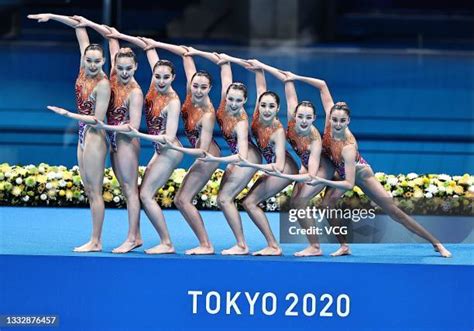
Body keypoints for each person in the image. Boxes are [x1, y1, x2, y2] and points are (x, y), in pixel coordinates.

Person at [276, 101, 452, 258]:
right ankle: (344, 246)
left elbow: (349, 184)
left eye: (342, 121)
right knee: (325, 205)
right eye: (334, 120)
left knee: (395, 212)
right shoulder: (329, 130)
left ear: (348, 122)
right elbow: (322, 86)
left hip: (360, 176)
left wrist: (319, 180)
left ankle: (436, 243)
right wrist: (292, 76)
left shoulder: (348, 146)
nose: (337, 124)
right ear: (329, 119)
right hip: (341, 172)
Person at [28, 13, 111, 252]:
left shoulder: (103, 84)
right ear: (84, 59)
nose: (92, 65)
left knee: (95, 191)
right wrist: (52, 16)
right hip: (83, 135)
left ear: (103, 61)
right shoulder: (84, 69)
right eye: (89, 60)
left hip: (94, 137)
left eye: (97, 61)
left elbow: (97, 120)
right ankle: (93, 238)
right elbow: (79, 27)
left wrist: (68, 116)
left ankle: (96, 241)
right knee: (88, 188)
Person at [106, 33, 185, 254]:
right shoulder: (153, 85)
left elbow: (167, 137)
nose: (160, 80)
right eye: (157, 76)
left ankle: (164, 242)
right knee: (136, 191)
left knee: (144, 194)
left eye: (165, 77)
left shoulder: (172, 100)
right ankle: (138, 236)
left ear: (173, 77)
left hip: (169, 150)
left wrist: (115, 129)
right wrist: (116, 35)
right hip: (158, 151)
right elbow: (150, 50)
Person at [75, 19, 143, 253]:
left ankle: (132, 237)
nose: (123, 72)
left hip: (124, 139)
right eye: (120, 67)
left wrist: (104, 127)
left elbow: (133, 126)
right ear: (114, 64)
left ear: (135, 68)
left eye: (128, 68)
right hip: (103, 134)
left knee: (129, 189)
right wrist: (83, 22)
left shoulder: (135, 91)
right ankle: (135, 236)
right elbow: (111, 37)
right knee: (99, 189)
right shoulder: (113, 74)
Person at [186, 50, 262, 255]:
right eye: (231, 99)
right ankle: (244, 244)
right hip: (237, 155)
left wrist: (217, 159)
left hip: (247, 157)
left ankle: (242, 245)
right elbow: (224, 64)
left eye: (238, 101)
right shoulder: (222, 104)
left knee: (225, 198)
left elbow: (242, 156)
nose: (233, 104)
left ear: (244, 101)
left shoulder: (241, 122)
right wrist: (196, 52)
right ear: (226, 96)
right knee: (223, 198)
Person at [149, 41, 220, 255]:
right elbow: (186, 55)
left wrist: (176, 148)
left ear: (210, 89)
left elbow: (202, 151)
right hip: (197, 153)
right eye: (195, 86)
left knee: (182, 199)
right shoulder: (190, 94)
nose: (197, 90)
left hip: (208, 156)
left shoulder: (208, 114)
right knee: (181, 199)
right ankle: (204, 243)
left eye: (203, 87)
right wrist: (152, 44)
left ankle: (206, 245)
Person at [233, 59, 299, 256]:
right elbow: (261, 87)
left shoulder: (277, 131)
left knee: (250, 203)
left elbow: (278, 165)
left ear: (277, 109)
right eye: (263, 105)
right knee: (248, 202)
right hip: (274, 167)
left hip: (284, 170)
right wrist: (259, 69)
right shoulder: (256, 116)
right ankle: (272, 244)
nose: (267, 109)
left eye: (271, 106)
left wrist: (254, 167)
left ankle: (274, 246)